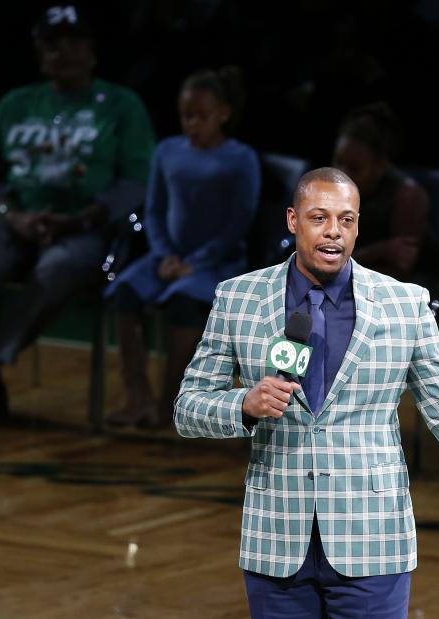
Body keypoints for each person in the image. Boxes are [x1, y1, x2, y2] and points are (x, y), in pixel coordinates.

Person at [174, 167, 439, 617]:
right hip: (275, 541)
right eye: (319, 218)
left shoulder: (404, 305)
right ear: (292, 220)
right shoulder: (239, 299)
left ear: (359, 225)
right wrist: (244, 404)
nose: (333, 233)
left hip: (373, 543)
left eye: (346, 220)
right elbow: (188, 408)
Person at [0, 5, 155, 424]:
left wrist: (86, 216)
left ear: (92, 51)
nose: (60, 53)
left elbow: (138, 179)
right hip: (19, 218)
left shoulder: (121, 104)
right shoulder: (17, 103)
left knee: (58, 266)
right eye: (50, 44)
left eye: (71, 43)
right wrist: (12, 215)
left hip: (86, 225)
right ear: (38, 52)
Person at [104, 67, 260, 428]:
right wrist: (163, 254)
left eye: (202, 116)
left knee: (184, 304)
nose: (193, 124)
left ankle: (173, 402)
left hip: (217, 262)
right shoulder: (167, 151)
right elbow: (154, 210)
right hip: (167, 257)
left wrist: (199, 261)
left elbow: (240, 221)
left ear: (223, 113)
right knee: (125, 293)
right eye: (186, 115)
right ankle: (138, 395)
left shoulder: (241, 158)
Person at [331, 102, 432, 283]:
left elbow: (397, 274)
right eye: (338, 161)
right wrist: (379, 250)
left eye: (354, 167)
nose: (342, 173)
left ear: (380, 166)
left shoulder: (408, 197)